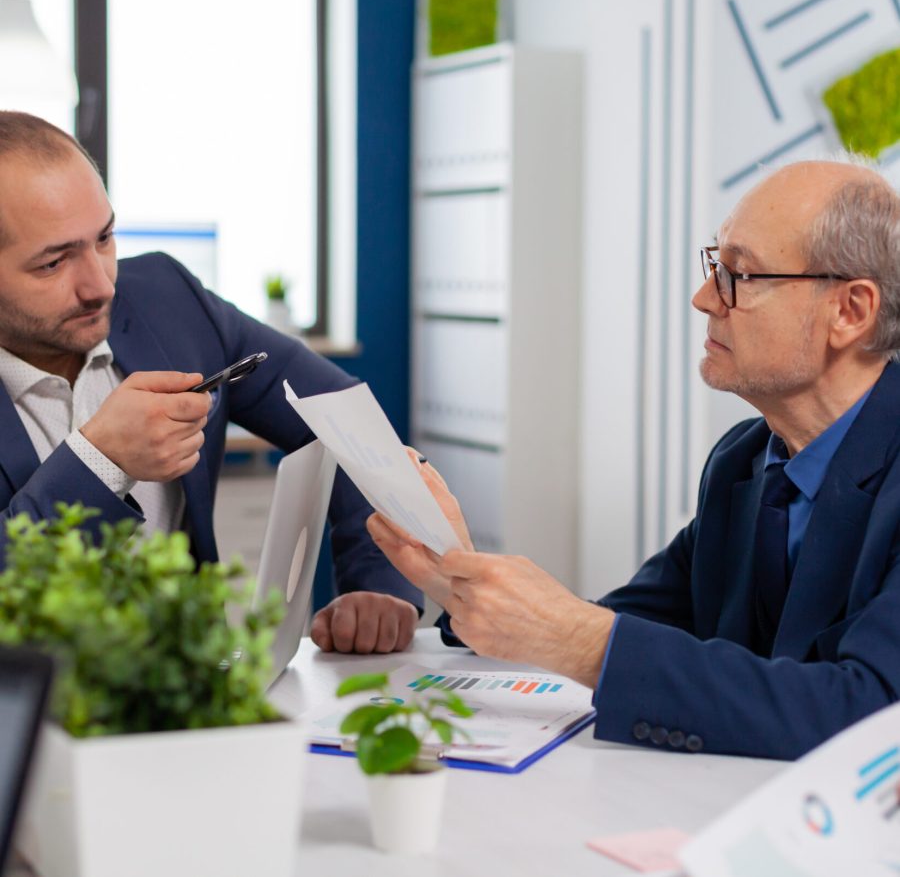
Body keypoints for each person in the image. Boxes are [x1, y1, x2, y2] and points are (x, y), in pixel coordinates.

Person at [368, 158, 900, 760]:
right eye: (714, 265)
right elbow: (621, 627)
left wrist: (579, 640)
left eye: (740, 275)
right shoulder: (744, 462)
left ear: (850, 311)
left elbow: (868, 716)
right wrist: (458, 574)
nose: (704, 298)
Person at [0, 110, 421, 654]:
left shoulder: (167, 298)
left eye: (104, 238)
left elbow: (342, 416)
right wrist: (99, 461)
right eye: (54, 263)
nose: (100, 285)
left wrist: (380, 586)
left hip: (197, 697)